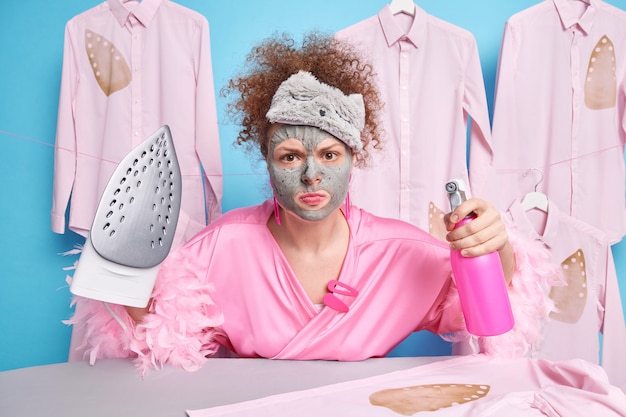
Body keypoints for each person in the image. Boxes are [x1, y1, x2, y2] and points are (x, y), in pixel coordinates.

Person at [67, 32, 553, 373]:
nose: (311, 173)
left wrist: (496, 246)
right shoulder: (219, 248)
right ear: (267, 160)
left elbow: (487, 317)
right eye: (290, 155)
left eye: (329, 154)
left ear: (351, 158)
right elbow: (155, 341)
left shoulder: (401, 251)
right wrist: (125, 277)